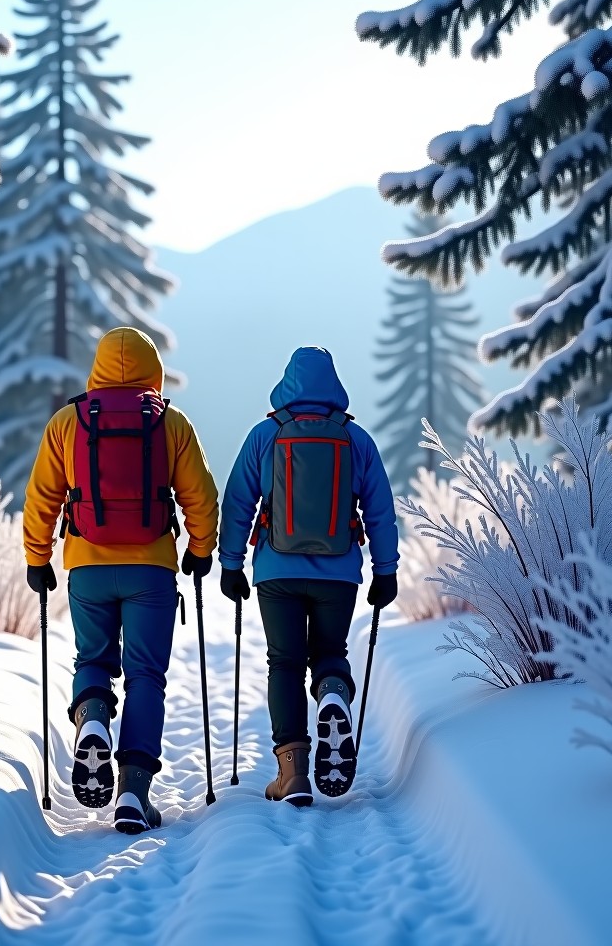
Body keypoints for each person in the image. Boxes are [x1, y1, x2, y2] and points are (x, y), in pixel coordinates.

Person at [24, 327, 218, 834]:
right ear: (152, 369)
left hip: (87, 567)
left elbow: (42, 497)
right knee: (145, 676)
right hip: (152, 569)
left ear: (99, 367)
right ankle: (133, 793)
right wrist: (200, 550)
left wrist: (37, 558)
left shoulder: (69, 421)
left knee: (93, 660)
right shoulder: (170, 422)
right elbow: (201, 496)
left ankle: (92, 717)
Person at [218, 346, 398, 806]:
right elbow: (379, 510)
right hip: (339, 572)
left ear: (287, 383)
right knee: (329, 653)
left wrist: (232, 563)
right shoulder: (355, 439)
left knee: (285, 663)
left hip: (276, 571)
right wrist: (386, 570)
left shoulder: (266, 434)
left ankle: (292, 774)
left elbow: (238, 502)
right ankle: (333, 694)